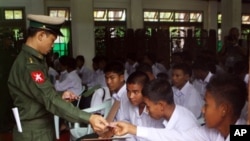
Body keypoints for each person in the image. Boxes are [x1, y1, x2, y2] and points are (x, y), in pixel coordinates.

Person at [7, 14, 108, 141]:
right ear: (41, 35)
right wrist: (89, 118)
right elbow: (49, 98)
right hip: (34, 132)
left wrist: (60, 95)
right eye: (52, 40)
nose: (53, 45)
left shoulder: (36, 60)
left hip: (40, 128)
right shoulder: (30, 65)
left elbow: (38, 93)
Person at [113, 73, 247, 141]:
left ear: (223, 109)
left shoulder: (241, 132)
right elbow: (176, 136)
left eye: (206, 104)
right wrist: (133, 129)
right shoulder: (211, 132)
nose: (203, 109)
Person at [113, 78, 200, 140]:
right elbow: (158, 135)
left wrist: (133, 129)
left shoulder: (185, 125)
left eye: (148, 106)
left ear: (161, 106)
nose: (146, 110)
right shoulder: (170, 115)